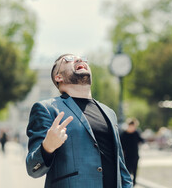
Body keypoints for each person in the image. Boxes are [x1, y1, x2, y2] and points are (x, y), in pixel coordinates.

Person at [26, 54, 133, 188]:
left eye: (83, 58)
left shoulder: (109, 113)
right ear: (58, 77)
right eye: (69, 59)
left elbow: (120, 167)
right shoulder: (46, 109)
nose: (79, 60)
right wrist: (47, 147)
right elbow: (32, 169)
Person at [120, 118, 144, 186]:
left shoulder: (136, 133)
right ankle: (127, 184)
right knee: (127, 171)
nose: (132, 128)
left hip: (135, 155)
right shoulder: (124, 134)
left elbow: (142, 140)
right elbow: (121, 145)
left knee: (135, 171)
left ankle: (134, 184)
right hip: (126, 156)